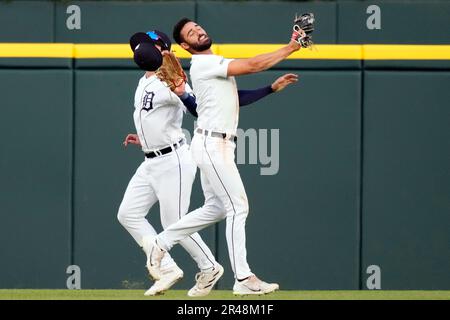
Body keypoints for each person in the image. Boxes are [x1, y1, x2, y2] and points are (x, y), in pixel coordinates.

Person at [118, 30, 298, 297]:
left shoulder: (186, 72)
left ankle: (202, 263)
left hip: (177, 157)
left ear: (165, 48)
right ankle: (200, 268)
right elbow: (159, 114)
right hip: (165, 154)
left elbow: (199, 107)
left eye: (149, 44)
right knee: (130, 213)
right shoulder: (147, 79)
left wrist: (181, 91)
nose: (141, 49)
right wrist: (144, 138)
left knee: (191, 215)